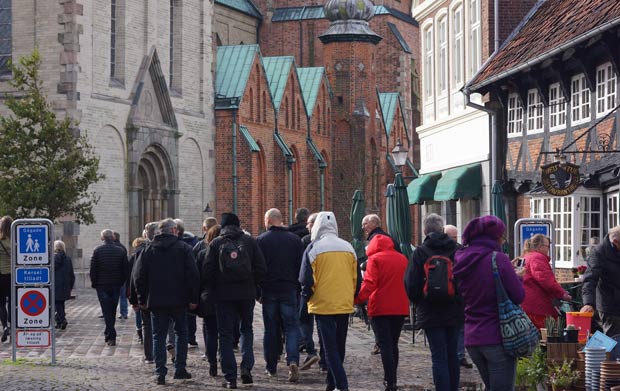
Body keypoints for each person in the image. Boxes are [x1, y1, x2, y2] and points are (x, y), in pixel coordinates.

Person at [453, 215, 525, 391]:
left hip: (472, 337)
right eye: (502, 235)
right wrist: (517, 277)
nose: (503, 239)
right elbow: (518, 295)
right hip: (497, 336)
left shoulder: (460, 258)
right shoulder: (498, 259)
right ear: (495, 237)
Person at [202, 212, 267, 389]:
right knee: (246, 329)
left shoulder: (216, 243)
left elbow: (207, 271)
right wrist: (255, 287)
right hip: (246, 294)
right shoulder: (249, 241)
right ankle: (246, 368)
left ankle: (230, 377)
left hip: (223, 296)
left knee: (225, 335)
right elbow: (261, 268)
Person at [134, 218, 200, 385]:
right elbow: (193, 275)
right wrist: (193, 298)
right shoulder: (184, 248)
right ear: (174, 231)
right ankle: (179, 369)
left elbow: (138, 276)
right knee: (181, 334)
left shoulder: (149, 249)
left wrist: (141, 299)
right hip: (179, 299)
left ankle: (160, 373)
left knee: (158, 336)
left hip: (156, 300)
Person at [300, 211, 359, 391]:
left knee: (329, 347)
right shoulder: (348, 248)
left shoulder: (313, 248)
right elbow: (356, 279)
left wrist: (307, 298)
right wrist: (351, 296)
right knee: (339, 345)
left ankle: (341, 385)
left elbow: (305, 279)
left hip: (323, 303)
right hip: (343, 303)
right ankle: (331, 383)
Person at [404, 214, 463, 391]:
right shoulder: (457, 250)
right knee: (453, 354)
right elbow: (465, 278)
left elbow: (410, 283)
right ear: (442, 229)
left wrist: (420, 301)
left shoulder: (420, 252)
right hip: (454, 309)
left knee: (438, 356)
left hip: (430, 310)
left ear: (424, 231)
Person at [355, 234, 409, 391]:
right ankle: (392, 378)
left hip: (380, 307)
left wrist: (358, 299)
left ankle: (390, 380)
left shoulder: (374, 259)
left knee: (384, 344)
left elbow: (369, 283)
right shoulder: (402, 258)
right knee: (393, 344)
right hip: (399, 306)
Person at [257, 208, 303, 382]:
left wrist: (259, 291)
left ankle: (271, 366)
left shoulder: (261, 240)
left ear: (268, 220)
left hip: (269, 290)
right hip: (289, 289)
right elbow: (300, 266)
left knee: (270, 329)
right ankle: (292, 360)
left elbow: (258, 268)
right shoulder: (294, 240)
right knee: (291, 328)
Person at [521, 234, 571, 329]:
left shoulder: (527, 256)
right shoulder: (537, 257)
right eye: (547, 246)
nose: (548, 249)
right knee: (547, 336)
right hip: (537, 307)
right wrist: (562, 293)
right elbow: (546, 280)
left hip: (527, 305)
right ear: (540, 246)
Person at [90, 229, 129, 346]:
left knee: (107, 309)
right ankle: (110, 334)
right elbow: (125, 269)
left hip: (102, 285)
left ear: (103, 238)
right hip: (116, 284)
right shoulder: (121, 251)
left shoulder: (97, 251)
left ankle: (110, 335)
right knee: (111, 309)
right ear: (112, 237)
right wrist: (122, 282)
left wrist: (94, 283)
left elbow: (93, 269)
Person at [580, 226, 620, 336]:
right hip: (610, 305)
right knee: (614, 340)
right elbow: (590, 279)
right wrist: (588, 303)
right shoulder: (599, 252)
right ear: (615, 241)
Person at [444, 224, 473, 370]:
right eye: (452, 237)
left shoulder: (461, 250)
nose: (454, 240)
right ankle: (456, 355)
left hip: (458, 294)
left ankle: (459, 355)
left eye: (455, 237)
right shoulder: (459, 250)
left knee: (460, 327)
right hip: (449, 294)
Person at [196, 224, 221, 376]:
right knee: (225, 332)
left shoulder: (202, 253)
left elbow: (197, 278)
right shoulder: (232, 251)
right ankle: (225, 362)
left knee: (210, 330)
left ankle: (212, 362)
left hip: (209, 296)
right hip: (227, 296)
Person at [299, 212, 322, 371]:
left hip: (311, 290)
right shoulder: (339, 244)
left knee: (304, 320)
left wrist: (304, 291)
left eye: (309, 224)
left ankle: (311, 350)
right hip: (328, 292)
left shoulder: (307, 242)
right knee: (323, 326)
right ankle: (325, 361)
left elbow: (304, 270)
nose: (306, 226)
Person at [174, 218, 199, 347]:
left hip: (170, 292)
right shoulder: (193, 244)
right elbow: (194, 272)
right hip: (187, 290)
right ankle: (192, 337)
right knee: (190, 317)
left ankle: (172, 344)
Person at [54, 240, 75, 330]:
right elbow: (71, 274)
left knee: (57, 304)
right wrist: (70, 286)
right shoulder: (68, 259)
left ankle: (62, 320)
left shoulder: (53, 259)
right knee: (60, 303)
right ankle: (59, 321)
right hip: (65, 284)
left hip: (55, 284)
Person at [0, 216, 13, 342]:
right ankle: (12, 324)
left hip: (1, 275)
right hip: (13, 275)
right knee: (12, 302)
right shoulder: (16, 240)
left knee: (1, 303)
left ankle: (5, 326)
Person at [113, 231, 129, 320]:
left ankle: (110, 312)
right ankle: (124, 313)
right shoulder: (123, 247)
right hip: (122, 276)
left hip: (115, 276)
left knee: (114, 296)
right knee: (123, 296)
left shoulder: (116, 247)